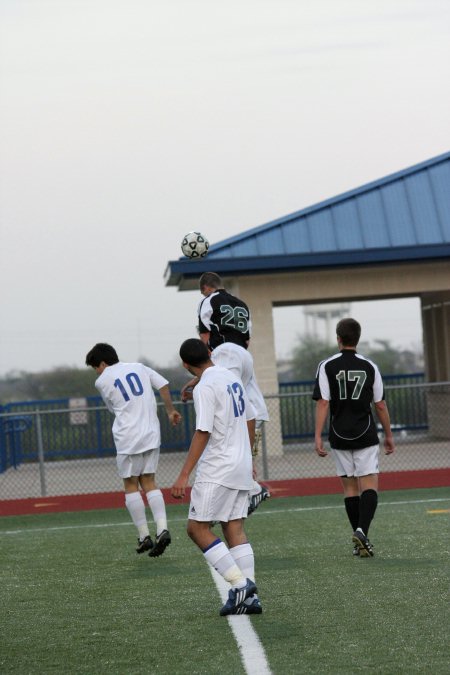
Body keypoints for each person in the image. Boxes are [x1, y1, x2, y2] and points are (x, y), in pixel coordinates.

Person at [172, 338, 262, 616]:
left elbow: (203, 431)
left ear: (185, 365)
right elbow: (250, 417)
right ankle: (251, 598)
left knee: (196, 529)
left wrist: (183, 474)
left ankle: (240, 585)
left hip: (218, 466)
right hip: (240, 463)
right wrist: (248, 458)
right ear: (210, 353)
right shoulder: (231, 377)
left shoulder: (205, 385)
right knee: (232, 527)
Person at [183, 271, 270, 514]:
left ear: (205, 288)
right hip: (244, 355)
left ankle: (251, 487)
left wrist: (200, 374)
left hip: (225, 352)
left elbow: (204, 338)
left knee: (225, 420)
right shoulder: (242, 304)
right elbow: (247, 339)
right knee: (244, 407)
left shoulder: (208, 301)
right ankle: (248, 474)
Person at [85, 343, 181, 557]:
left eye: (95, 367)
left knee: (130, 484)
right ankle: (163, 529)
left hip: (128, 436)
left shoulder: (102, 380)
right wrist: (170, 410)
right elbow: (163, 385)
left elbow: (113, 407)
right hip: (151, 432)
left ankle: (143, 535)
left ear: (102, 363)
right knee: (149, 481)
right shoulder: (139, 367)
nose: (97, 372)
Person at [312, 318, 395, 557]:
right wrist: (389, 434)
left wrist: (317, 436)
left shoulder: (326, 366)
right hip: (365, 433)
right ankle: (361, 531)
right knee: (369, 485)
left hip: (338, 434)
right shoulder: (370, 366)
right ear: (357, 338)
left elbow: (323, 402)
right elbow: (379, 405)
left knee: (350, 488)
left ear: (338, 338)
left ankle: (359, 539)